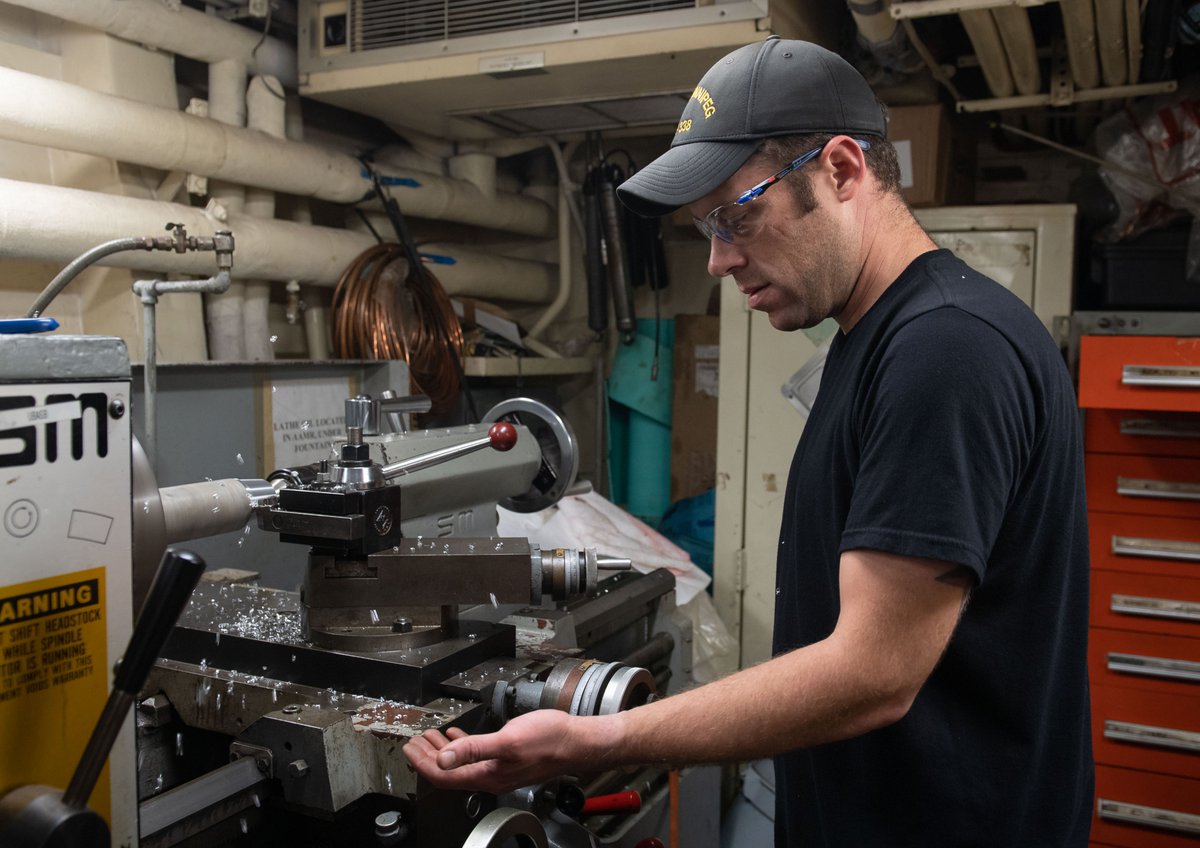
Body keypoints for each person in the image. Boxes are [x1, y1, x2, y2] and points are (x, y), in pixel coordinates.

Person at [405, 36, 1094, 846]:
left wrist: (594, 739)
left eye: (738, 216)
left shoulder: (944, 350)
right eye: (706, 228)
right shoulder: (881, 338)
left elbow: (872, 674)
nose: (721, 260)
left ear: (841, 170)